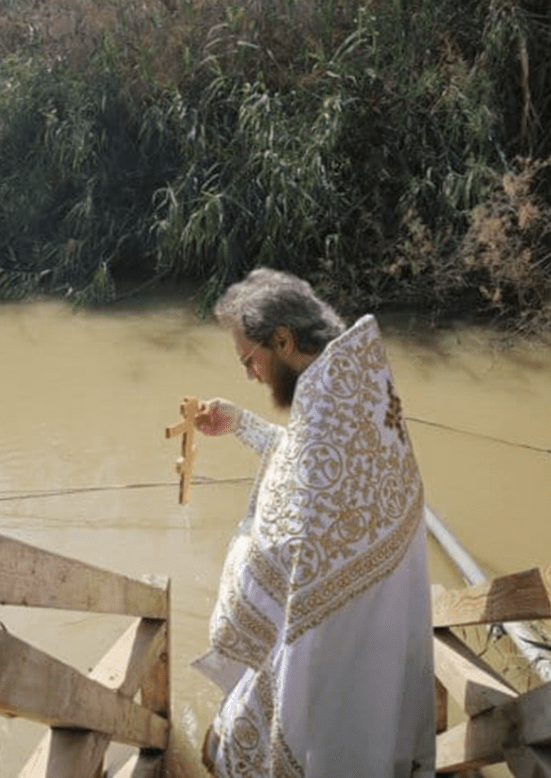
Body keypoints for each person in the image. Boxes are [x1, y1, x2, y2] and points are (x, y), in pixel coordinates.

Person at [192, 268, 435, 777]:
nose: (250, 375)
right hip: (382, 617)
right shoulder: (351, 384)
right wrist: (241, 424)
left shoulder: (328, 405)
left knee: (234, 748)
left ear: (282, 340)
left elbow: (278, 547)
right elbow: (307, 463)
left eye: (249, 359)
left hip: (335, 636)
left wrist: (236, 564)